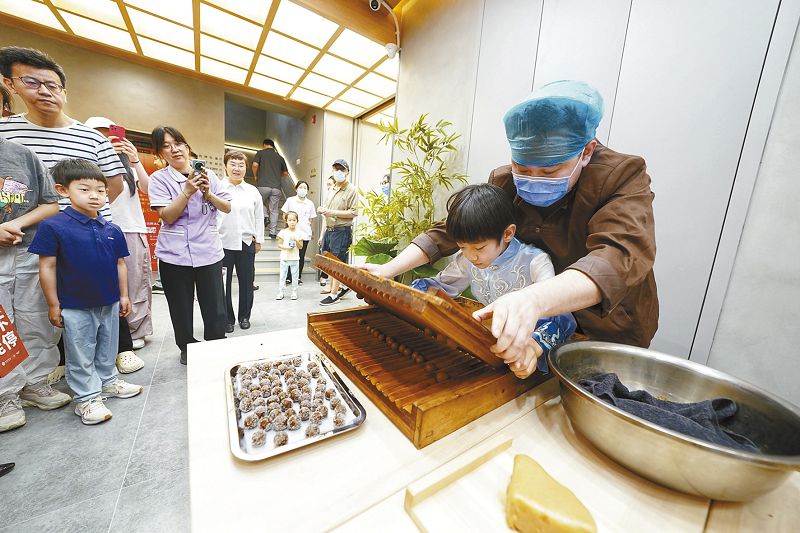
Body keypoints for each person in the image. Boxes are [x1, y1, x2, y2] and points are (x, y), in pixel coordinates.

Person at [364, 80, 658, 378]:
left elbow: (618, 255)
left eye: (550, 171)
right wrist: (389, 269)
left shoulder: (621, 176)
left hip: (606, 326)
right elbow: (456, 229)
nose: (533, 179)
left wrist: (534, 299)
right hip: (533, 324)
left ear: (586, 152)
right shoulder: (504, 180)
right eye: (523, 167)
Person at [0, 46, 140, 379]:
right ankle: (45, 376)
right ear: (12, 85)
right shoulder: (7, 133)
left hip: (87, 234)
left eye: (52, 85)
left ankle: (110, 356)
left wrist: (84, 210)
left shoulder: (91, 138)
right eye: (32, 83)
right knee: (39, 310)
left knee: (99, 292)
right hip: (26, 238)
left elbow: (114, 185)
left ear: (64, 91)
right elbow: (9, 189)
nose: (44, 92)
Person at [410, 184, 576, 371]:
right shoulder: (466, 261)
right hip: (496, 352)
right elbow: (438, 287)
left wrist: (532, 347)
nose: (471, 256)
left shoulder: (535, 262)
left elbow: (559, 317)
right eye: (462, 247)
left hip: (534, 355)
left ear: (507, 233)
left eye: (479, 248)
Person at [28, 159, 143, 425]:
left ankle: (108, 382)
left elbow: (120, 264)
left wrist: (124, 296)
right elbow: (47, 266)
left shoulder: (111, 228)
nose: (95, 196)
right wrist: (53, 303)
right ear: (63, 190)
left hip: (110, 301)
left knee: (107, 347)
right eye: (85, 189)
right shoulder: (54, 226)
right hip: (75, 303)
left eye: (100, 190)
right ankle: (86, 398)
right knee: (80, 352)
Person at [0, 83, 69, 433]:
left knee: (35, 317)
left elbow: (50, 202)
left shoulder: (22, 154)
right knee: (1, 325)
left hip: (26, 247)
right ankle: (4, 396)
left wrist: (16, 222)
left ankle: (36, 382)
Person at [147, 126, 231, 365]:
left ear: (187, 146)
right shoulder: (159, 179)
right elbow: (168, 216)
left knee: (215, 305)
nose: (174, 149)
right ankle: (187, 346)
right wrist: (186, 191)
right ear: (160, 153)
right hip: (175, 255)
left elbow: (227, 207)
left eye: (178, 143)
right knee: (180, 306)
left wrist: (208, 194)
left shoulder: (210, 175)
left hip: (208, 250)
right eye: (166, 145)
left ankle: (216, 342)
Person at [85, 117, 153, 362]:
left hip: (131, 228)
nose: (107, 140)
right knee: (104, 285)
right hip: (95, 228)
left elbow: (148, 189)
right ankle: (105, 335)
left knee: (135, 283)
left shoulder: (128, 165)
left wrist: (134, 160)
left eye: (111, 135)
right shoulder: (85, 164)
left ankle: (136, 330)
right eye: (100, 135)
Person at [219, 150, 263, 332]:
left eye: (241, 165)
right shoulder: (217, 188)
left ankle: (244, 317)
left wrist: (258, 240)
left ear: (246, 168)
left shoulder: (253, 191)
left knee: (246, 283)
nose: (237, 168)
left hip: (246, 243)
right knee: (223, 284)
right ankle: (227, 319)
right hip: (222, 243)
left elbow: (259, 217)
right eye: (233, 164)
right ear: (226, 166)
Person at [318, 160, 358, 305]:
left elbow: (353, 212)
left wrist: (331, 212)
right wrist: (323, 210)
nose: (339, 172)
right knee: (328, 262)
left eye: (342, 170)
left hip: (341, 231)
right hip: (329, 230)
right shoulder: (333, 188)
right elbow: (328, 209)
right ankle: (343, 286)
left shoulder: (351, 190)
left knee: (337, 264)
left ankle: (334, 294)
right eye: (336, 169)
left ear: (347, 172)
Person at [280, 180, 316, 286]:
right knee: (289, 254)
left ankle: (298, 277)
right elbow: (284, 215)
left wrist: (306, 226)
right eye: (301, 187)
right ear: (296, 189)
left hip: (304, 234)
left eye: (305, 188)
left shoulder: (310, 203)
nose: (303, 190)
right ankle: (288, 277)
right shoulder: (290, 200)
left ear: (307, 191)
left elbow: (311, 218)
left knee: (301, 256)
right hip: (291, 234)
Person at [252, 138, 288, 239]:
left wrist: (255, 176)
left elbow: (255, 165)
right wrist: (276, 174)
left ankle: (265, 216)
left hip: (263, 185)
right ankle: (273, 232)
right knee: (274, 209)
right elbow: (285, 173)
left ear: (264, 145)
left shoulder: (260, 153)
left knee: (258, 203)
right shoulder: (280, 157)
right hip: (276, 187)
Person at [275, 211, 303, 301]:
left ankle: (294, 291)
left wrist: (296, 240)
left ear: (297, 221)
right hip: (284, 257)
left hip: (295, 258)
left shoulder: (299, 233)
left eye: (294, 220)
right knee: (282, 275)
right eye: (290, 220)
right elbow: (279, 244)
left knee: (295, 276)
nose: (292, 222)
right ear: (286, 221)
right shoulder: (283, 232)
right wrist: (287, 248)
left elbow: (301, 246)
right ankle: (280, 292)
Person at [318, 175, 335, 287]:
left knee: (335, 257)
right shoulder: (327, 199)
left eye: (330, 184)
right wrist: (321, 236)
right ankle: (323, 276)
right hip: (328, 231)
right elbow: (325, 220)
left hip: (338, 231)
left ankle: (333, 282)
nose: (328, 187)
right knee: (325, 255)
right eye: (327, 185)